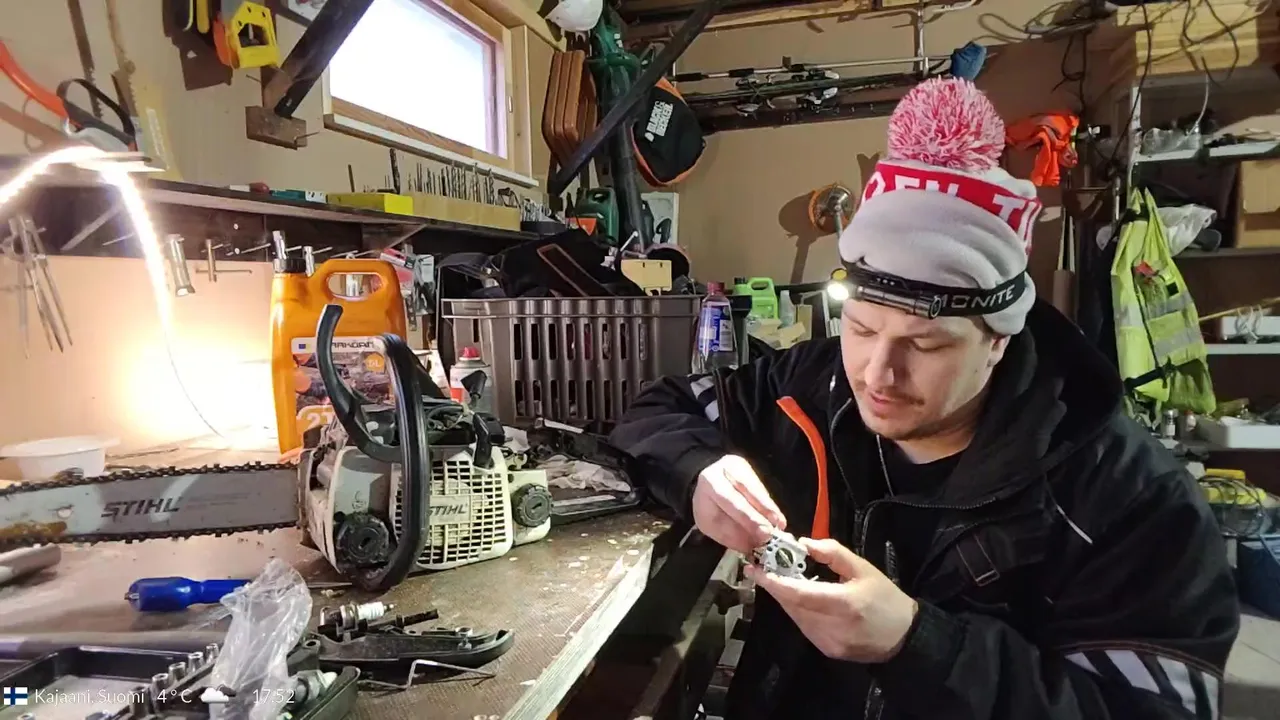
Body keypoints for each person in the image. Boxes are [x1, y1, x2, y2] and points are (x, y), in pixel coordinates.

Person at [609, 78, 1239, 720]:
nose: (878, 374)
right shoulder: (814, 385)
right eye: (861, 329)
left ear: (997, 341)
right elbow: (657, 410)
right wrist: (700, 472)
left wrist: (919, 645)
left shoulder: (1134, 503)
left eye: (927, 345)